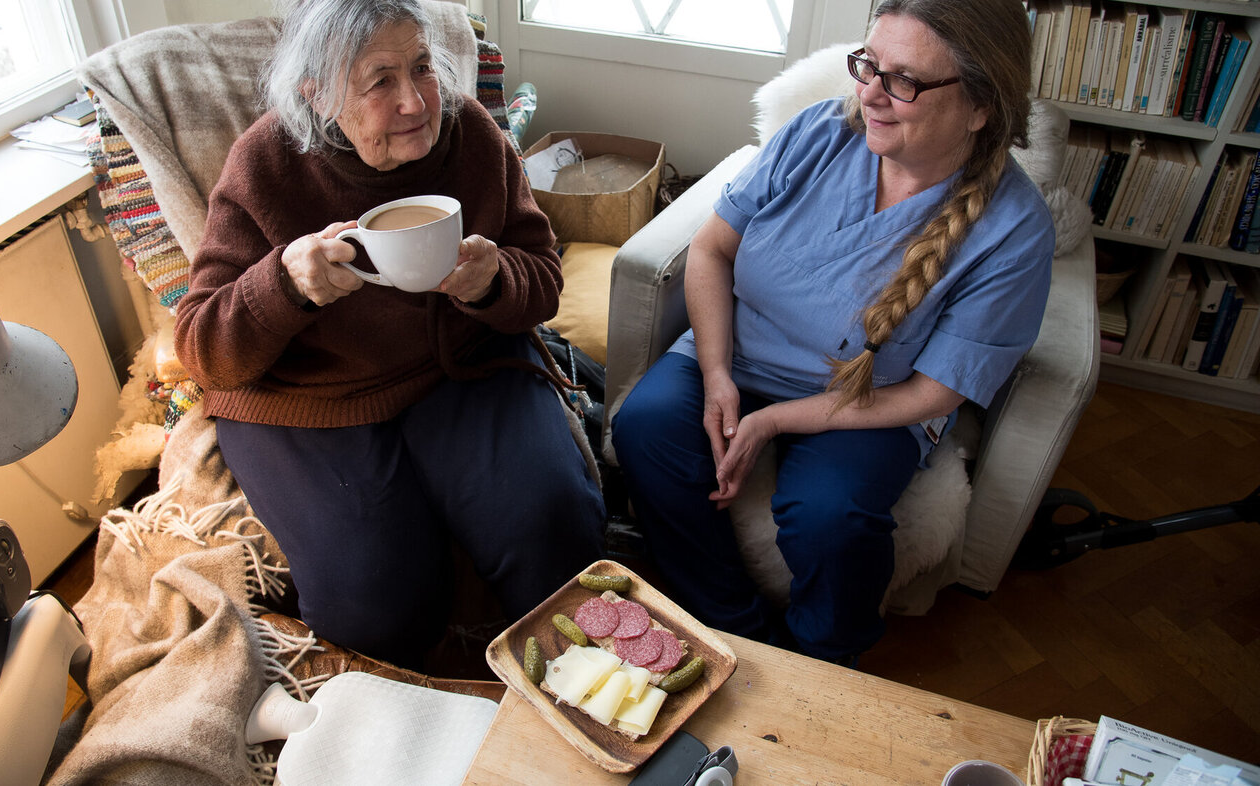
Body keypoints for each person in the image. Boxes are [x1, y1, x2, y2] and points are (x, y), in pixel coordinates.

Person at [611, 0, 1054, 665]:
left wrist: (773, 422)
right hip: (741, 352)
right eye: (868, 65)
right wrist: (716, 374)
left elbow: (934, 394)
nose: (870, 94)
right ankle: (731, 629)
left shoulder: (1014, 232)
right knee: (644, 428)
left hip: (872, 398)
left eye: (903, 80)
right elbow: (709, 252)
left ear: (980, 106)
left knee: (831, 518)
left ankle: (824, 661)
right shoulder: (820, 132)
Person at [174, 0, 605, 668]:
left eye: (423, 67)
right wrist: (285, 287)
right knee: (372, 606)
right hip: (310, 400)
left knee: (555, 529)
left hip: (460, 367)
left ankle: (567, 694)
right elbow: (203, 349)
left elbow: (542, 279)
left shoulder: (473, 138)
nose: (416, 101)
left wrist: (494, 282)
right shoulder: (264, 164)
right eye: (380, 81)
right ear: (316, 95)